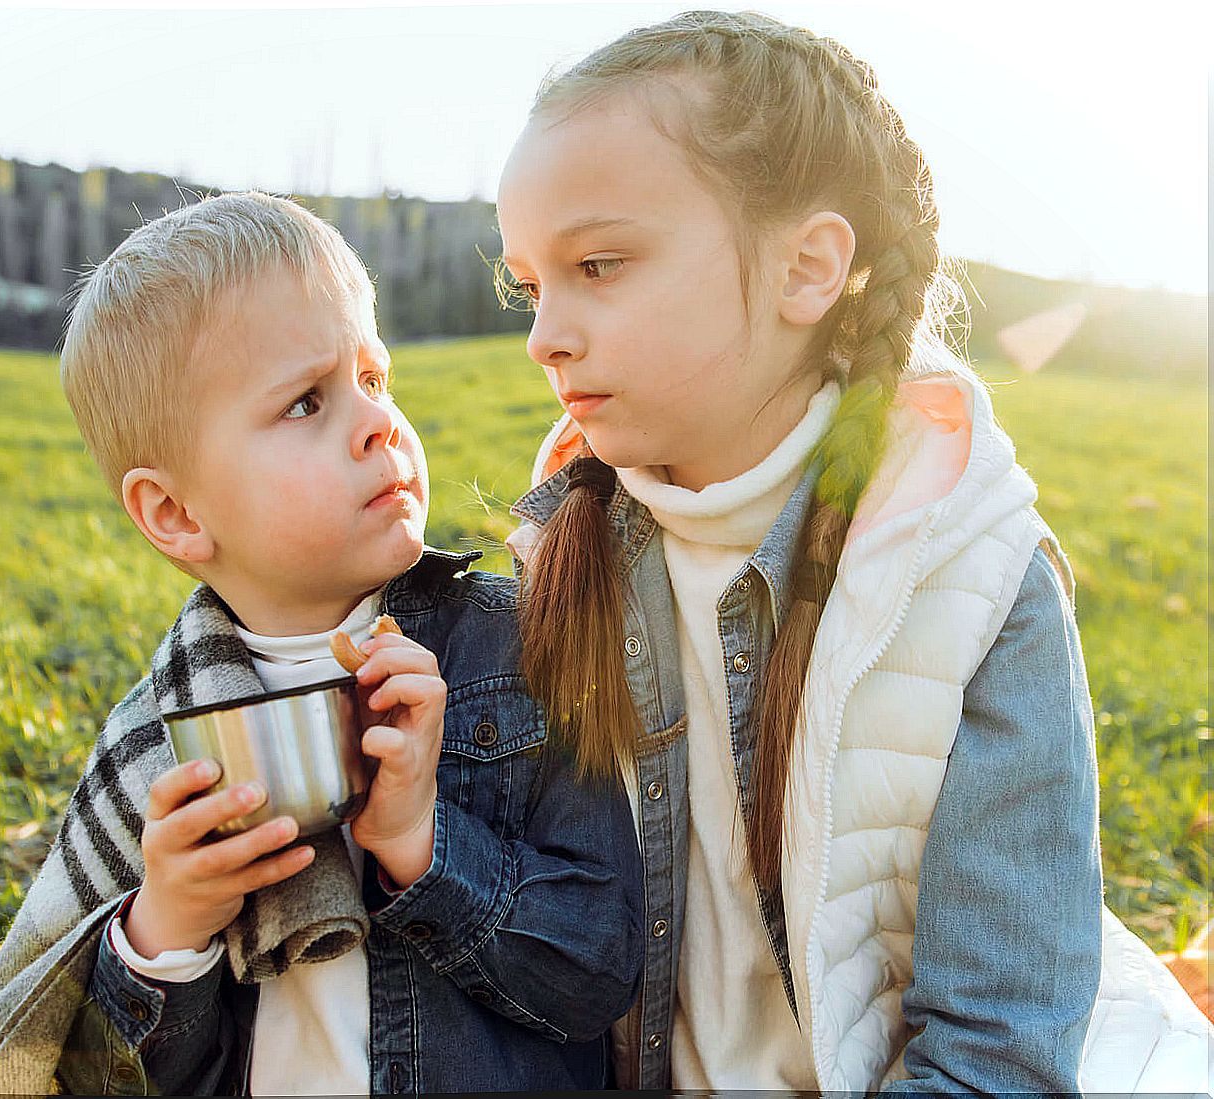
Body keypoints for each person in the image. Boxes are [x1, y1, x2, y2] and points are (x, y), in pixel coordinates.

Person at [494, 10, 1212, 1092]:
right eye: (530, 285)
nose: (546, 332)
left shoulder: (973, 580)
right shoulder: (556, 554)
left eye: (598, 263)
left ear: (807, 269)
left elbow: (995, 1047)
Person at [0, 192, 642, 1096]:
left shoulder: (515, 653)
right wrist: (169, 933)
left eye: (375, 376)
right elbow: (101, 1075)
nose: (378, 422)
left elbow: (600, 972)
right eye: (306, 402)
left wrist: (422, 841)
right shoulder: (163, 747)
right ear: (176, 512)